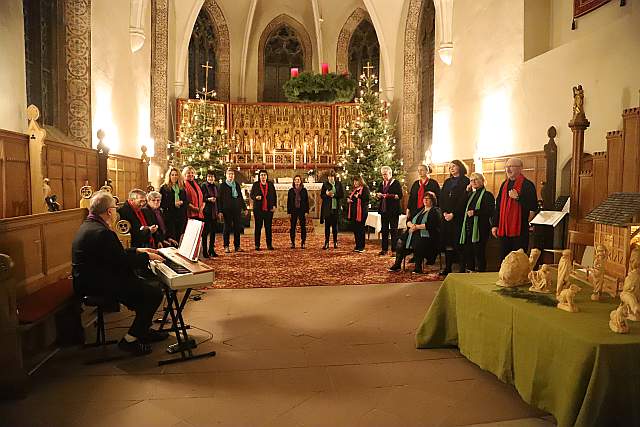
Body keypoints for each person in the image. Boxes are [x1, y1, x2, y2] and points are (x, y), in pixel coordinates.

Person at [72, 191, 167, 355]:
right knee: (153, 293)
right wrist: (146, 257)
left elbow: (114, 254)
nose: (117, 211)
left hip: (92, 278)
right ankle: (130, 340)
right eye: (115, 208)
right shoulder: (102, 232)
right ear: (109, 211)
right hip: (96, 284)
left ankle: (141, 330)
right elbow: (121, 260)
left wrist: (138, 250)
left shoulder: (90, 225)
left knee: (144, 291)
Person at [491, 157, 538, 262]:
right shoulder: (504, 185)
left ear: (520, 168)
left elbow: (533, 206)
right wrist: (495, 225)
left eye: (511, 166)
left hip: (519, 229)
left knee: (518, 261)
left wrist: (518, 198)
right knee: (505, 259)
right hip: (504, 229)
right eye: (506, 167)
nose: (508, 170)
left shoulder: (527, 185)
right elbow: (498, 206)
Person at [389, 192, 441, 274]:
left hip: (428, 236)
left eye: (428, 199)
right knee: (400, 241)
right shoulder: (420, 210)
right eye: (424, 198)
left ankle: (418, 267)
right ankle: (397, 264)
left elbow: (431, 225)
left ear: (433, 200)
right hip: (413, 232)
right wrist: (411, 225)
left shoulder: (435, 211)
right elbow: (408, 219)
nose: (425, 200)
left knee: (418, 242)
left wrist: (416, 227)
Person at [439, 160, 470, 275]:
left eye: (454, 166)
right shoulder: (447, 181)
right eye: (450, 167)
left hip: (459, 217)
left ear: (460, 167)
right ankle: (448, 267)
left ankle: (462, 268)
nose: (451, 169)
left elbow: (464, 200)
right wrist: (444, 213)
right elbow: (441, 198)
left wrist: (454, 214)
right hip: (446, 217)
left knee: (459, 242)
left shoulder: (466, 181)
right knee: (448, 243)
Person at [459, 173, 495, 272]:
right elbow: (461, 205)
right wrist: (466, 191)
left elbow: (490, 210)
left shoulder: (487, 195)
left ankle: (481, 272)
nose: (473, 182)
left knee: (479, 252)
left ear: (482, 181)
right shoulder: (471, 194)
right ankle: (470, 270)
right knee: (469, 251)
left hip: (481, 227)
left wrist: (475, 212)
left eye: (476, 179)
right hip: (469, 227)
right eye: (471, 180)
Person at [375, 166, 403, 256]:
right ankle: (384, 249)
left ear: (390, 174)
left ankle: (394, 250)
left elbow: (399, 195)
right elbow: (379, 193)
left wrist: (388, 196)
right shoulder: (382, 183)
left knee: (394, 231)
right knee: (384, 230)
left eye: (385, 174)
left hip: (393, 210)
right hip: (384, 210)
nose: (384, 176)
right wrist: (378, 195)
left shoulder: (396, 183)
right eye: (382, 174)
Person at [218, 168, 247, 253]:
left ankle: (237, 246)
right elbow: (219, 199)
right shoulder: (223, 185)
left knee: (237, 228)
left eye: (232, 174)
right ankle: (226, 246)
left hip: (236, 209)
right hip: (227, 210)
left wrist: (244, 208)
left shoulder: (236, 185)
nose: (231, 176)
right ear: (226, 175)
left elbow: (240, 197)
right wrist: (220, 211)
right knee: (227, 228)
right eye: (229, 174)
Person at [250, 169, 277, 250]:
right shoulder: (256, 185)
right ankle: (257, 245)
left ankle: (269, 244)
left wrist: (274, 205)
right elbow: (251, 195)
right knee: (258, 227)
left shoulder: (270, 184)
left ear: (267, 176)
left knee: (268, 227)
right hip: (258, 209)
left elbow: (274, 196)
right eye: (261, 175)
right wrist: (256, 197)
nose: (263, 177)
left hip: (269, 209)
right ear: (259, 176)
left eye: (264, 175)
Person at [159, 167, 188, 242]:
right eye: (172, 175)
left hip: (180, 216)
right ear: (169, 176)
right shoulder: (164, 188)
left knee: (179, 237)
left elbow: (186, 201)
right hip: (169, 216)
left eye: (176, 175)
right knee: (172, 237)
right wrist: (174, 204)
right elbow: (161, 203)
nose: (174, 177)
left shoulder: (182, 187)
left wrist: (182, 203)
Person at [320, 169, 344, 249]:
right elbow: (321, 195)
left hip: (335, 208)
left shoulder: (338, 184)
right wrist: (326, 194)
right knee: (327, 226)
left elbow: (341, 194)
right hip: (327, 208)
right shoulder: (325, 184)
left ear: (334, 177)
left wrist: (334, 195)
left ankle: (335, 242)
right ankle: (326, 242)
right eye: (329, 177)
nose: (330, 178)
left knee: (335, 227)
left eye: (332, 177)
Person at [347, 175, 370, 253]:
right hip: (355, 213)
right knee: (356, 229)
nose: (354, 183)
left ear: (360, 181)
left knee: (361, 229)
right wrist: (349, 200)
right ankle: (357, 245)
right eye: (354, 181)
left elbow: (367, 199)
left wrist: (359, 196)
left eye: (356, 181)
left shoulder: (365, 189)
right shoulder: (355, 189)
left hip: (362, 212)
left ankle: (361, 246)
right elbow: (353, 199)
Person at [200, 170, 219, 258]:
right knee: (205, 232)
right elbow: (202, 197)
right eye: (209, 177)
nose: (210, 178)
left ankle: (211, 250)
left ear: (214, 178)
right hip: (207, 212)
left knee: (213, 232)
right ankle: (205, 251)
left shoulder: (216, 186)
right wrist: (208, 199)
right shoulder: (203, 186)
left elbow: (218, 197)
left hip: (214, 211)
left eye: (212, 177)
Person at [287, 175, 309, 249]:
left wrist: (306, 211)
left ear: (300, 181)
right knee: (292, 227)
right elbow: (289, 202)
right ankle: (292, 242)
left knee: (303, 227)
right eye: (295, 180)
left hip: (302, 210)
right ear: (294, 181)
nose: (297, 181)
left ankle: (303, 242)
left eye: (298, 180)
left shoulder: (304, 190)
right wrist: (289, 212)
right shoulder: (290, 191)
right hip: (293, 210)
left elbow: (306, 201)